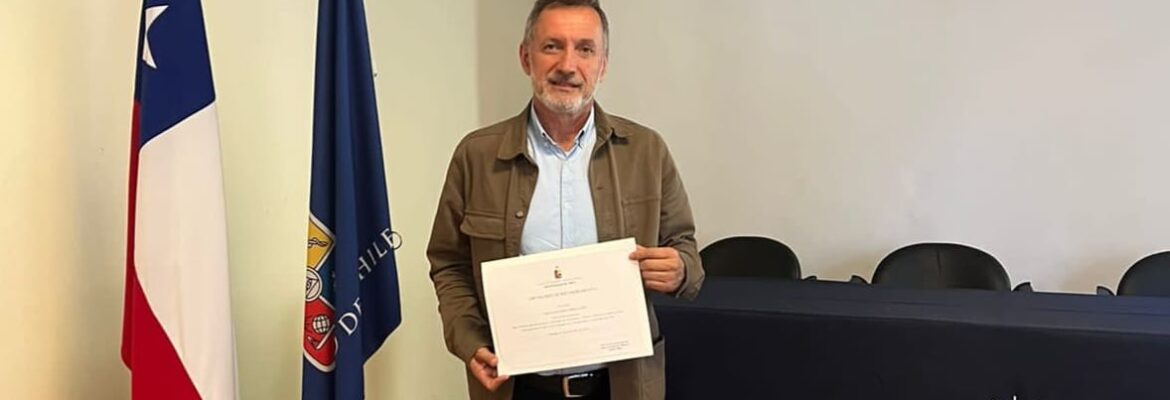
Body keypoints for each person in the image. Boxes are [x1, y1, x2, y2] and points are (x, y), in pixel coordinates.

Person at [427, 1, 704, 398]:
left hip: (621, 386)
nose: (568, 65)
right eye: (552, 46)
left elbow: (686, 252)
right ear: (526, 57)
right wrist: (469, 341)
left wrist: (679, 271)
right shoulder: (477, 156)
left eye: (585, 49)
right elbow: (449, 265)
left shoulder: (646, 151)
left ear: (603, 65)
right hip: (516, 388)